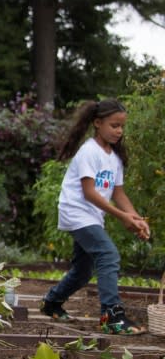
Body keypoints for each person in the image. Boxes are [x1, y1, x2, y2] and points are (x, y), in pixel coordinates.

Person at [40, 98, 150, 335]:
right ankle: (111, 314)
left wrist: (137, 218)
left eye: (122, 126)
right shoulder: (89, 151)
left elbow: (118, 193)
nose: (119, 131)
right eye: (114, 125)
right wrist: (122, 217)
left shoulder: (114, 157)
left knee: (83, 270)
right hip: (76, 213)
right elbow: (89, 193)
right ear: (98, 123)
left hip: (92, 217)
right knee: (108, 253)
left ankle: (52, 302)